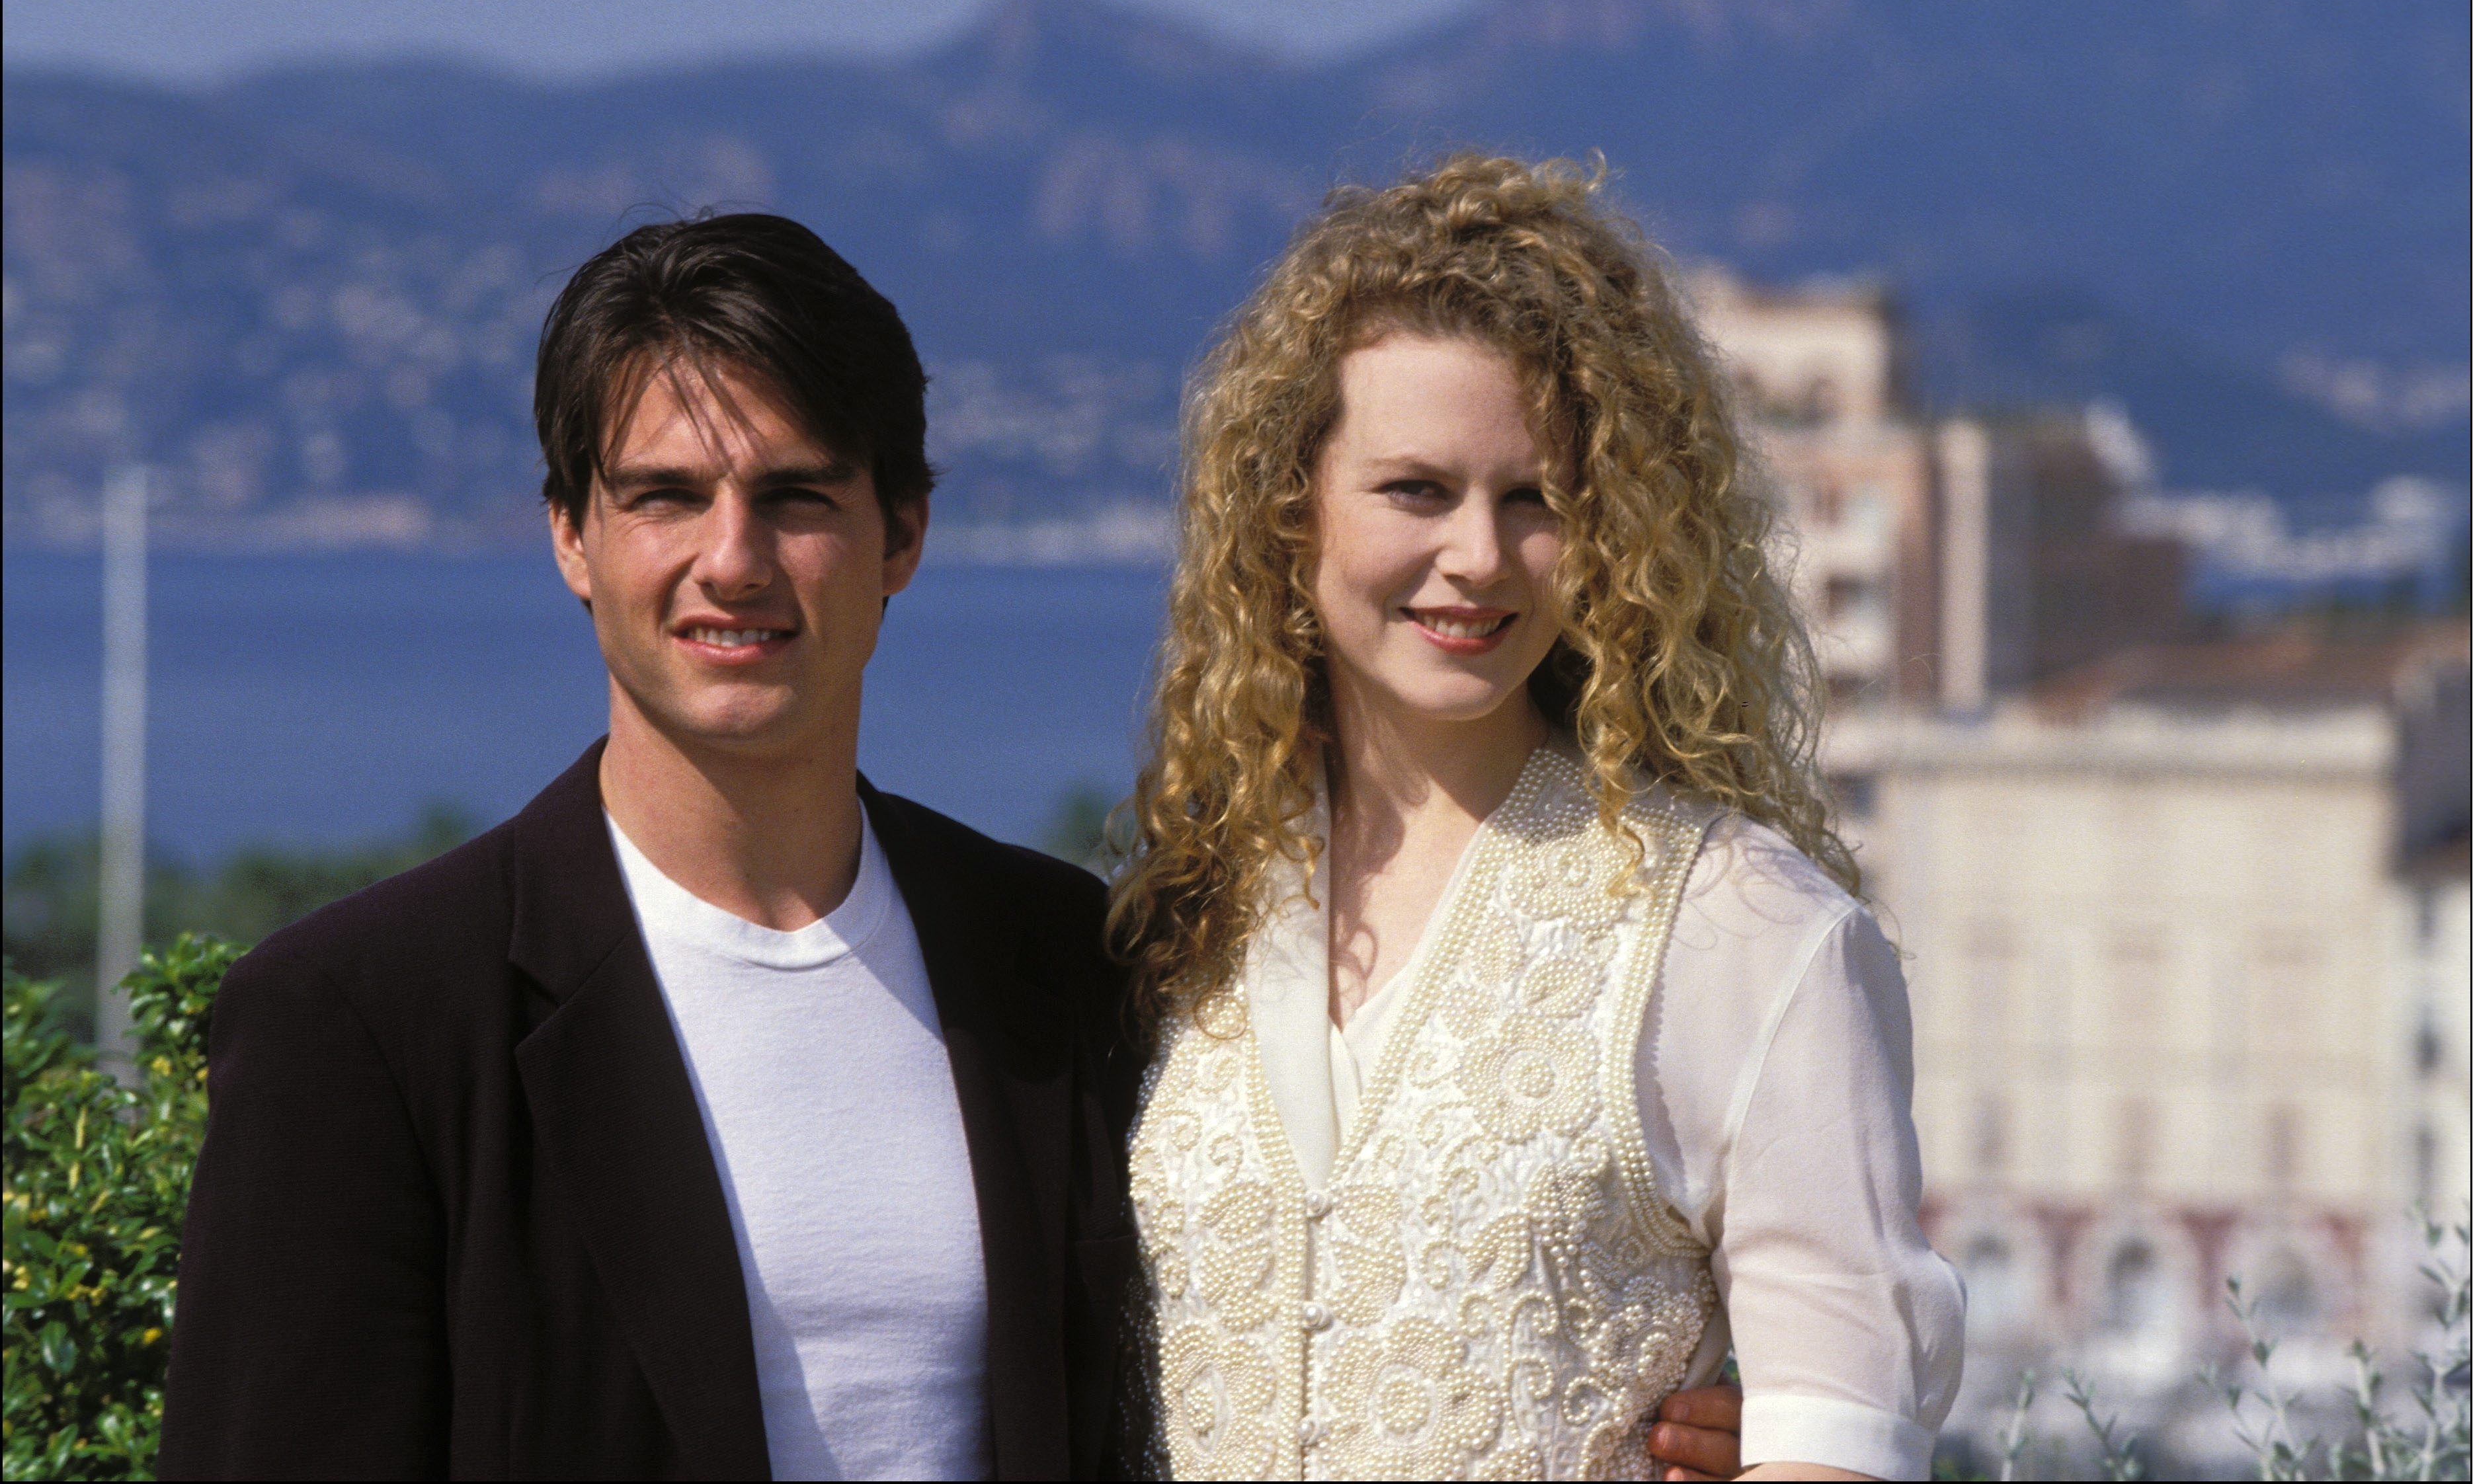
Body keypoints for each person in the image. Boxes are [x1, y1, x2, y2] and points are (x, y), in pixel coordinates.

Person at [158, 214, 1145, 1479]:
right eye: (666, 496)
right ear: (573, 534)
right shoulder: (365, 1023)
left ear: (902, 535)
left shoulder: (1060, 963)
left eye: (795, 496)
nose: (731, 562)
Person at [1109, 157, 1965, 1480]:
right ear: (1292, 508)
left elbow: (1844, 1436)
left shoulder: (1742, 925)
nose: (1477, 556)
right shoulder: (1180, 920)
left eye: (1536, 500)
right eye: (1414, 489)